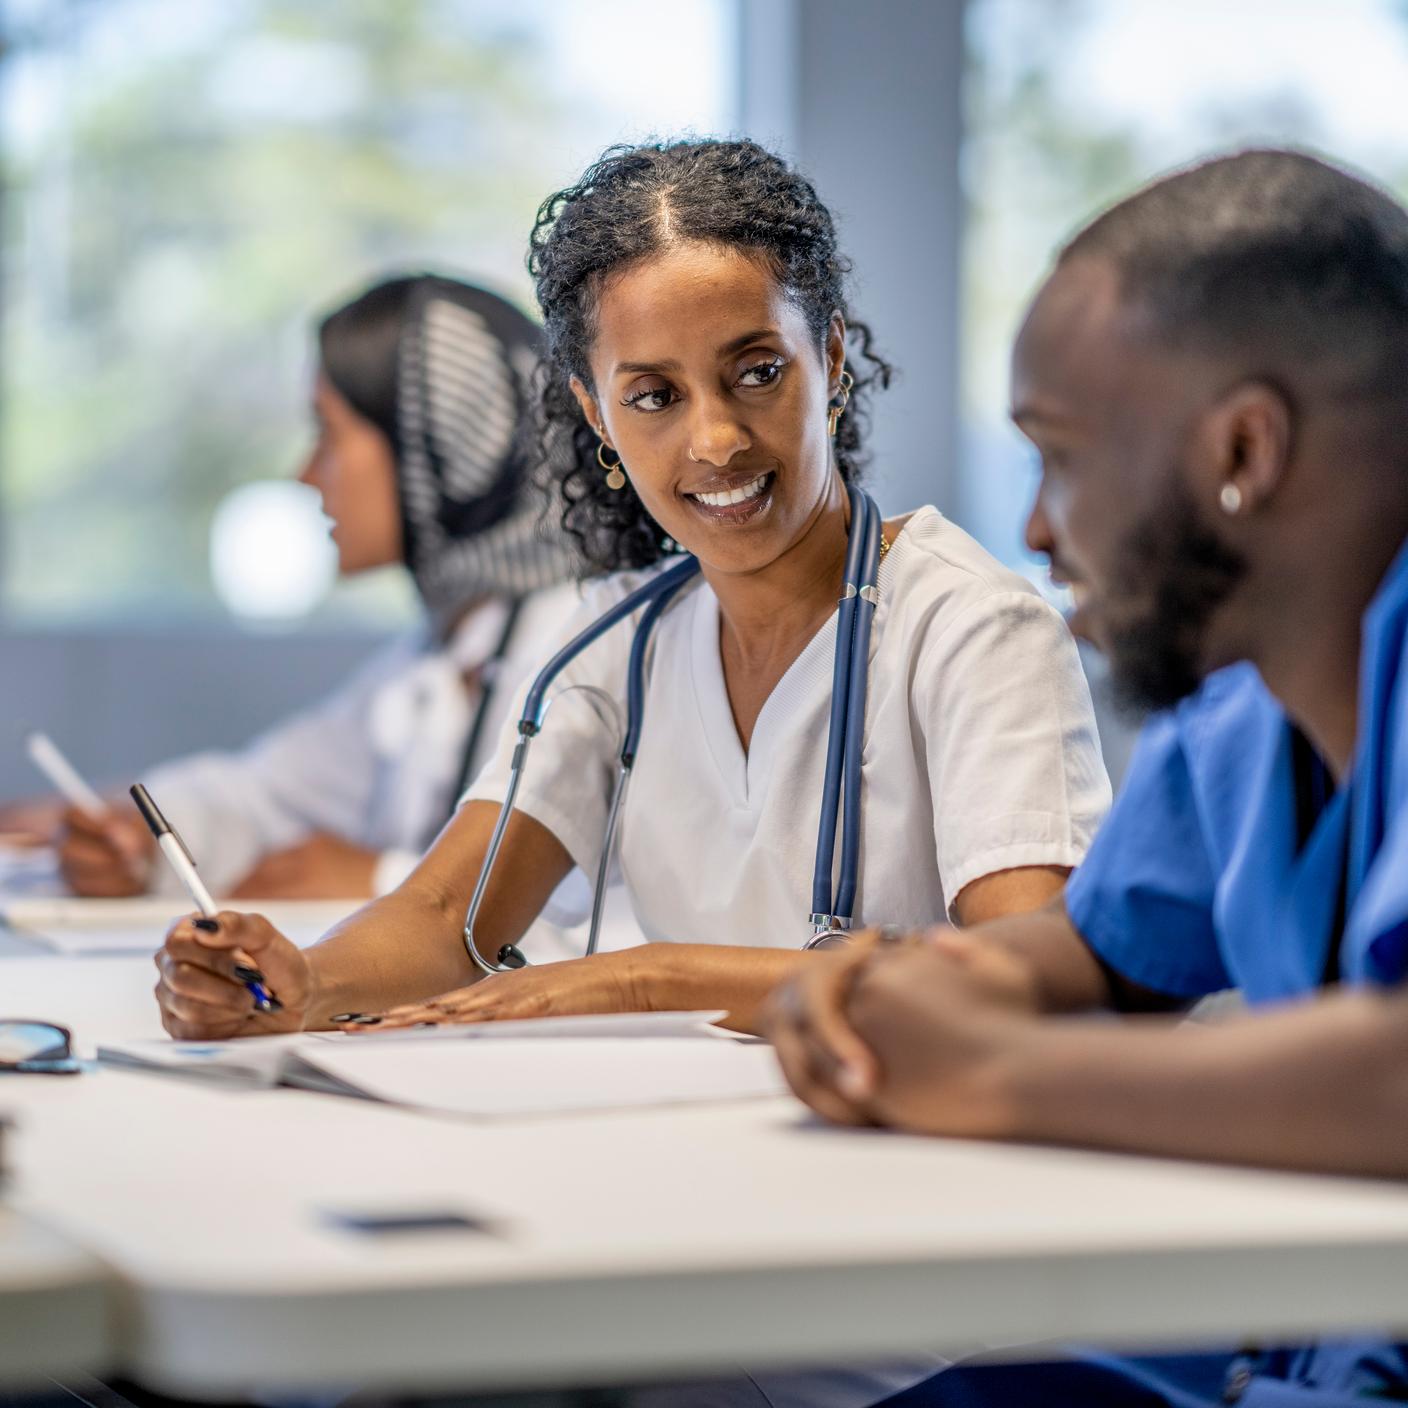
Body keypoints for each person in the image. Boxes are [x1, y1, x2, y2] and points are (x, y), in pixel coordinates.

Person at [768, 148, 1408, 1406]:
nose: (1036, 528)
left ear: (1243, 448)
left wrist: (985, 1073)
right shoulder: (1241, 713)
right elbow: (1096, 953)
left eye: (1056, 455)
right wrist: (904, 984)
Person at [36, 274, 582, 903]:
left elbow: (601, 910)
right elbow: (266, 796)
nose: (304, 475)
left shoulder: (579, 648)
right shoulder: (444, 649)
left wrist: (381, 881)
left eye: (328, 433)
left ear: (447, 445)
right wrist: (142, 842)